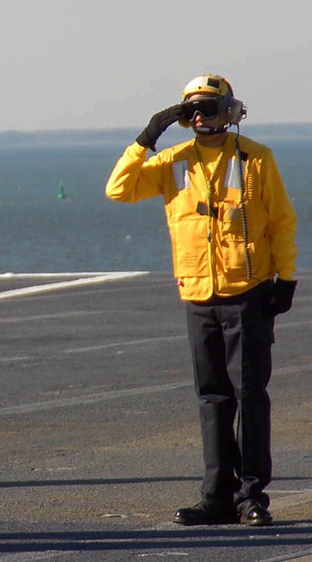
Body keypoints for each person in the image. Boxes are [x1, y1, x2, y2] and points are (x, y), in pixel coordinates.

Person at [105, 74, 297, 527]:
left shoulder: (255, 158)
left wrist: (285, 279)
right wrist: (147, 137)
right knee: (212, 398)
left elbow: (281, 223)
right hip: (198, 296)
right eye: (191, 109)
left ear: (229, 110)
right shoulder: (173, 162)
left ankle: (252, 497)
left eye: (209, 107)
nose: (200, 116)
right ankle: (216, 497)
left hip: (246, 296)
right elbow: (118, 189)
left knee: (249, 396)